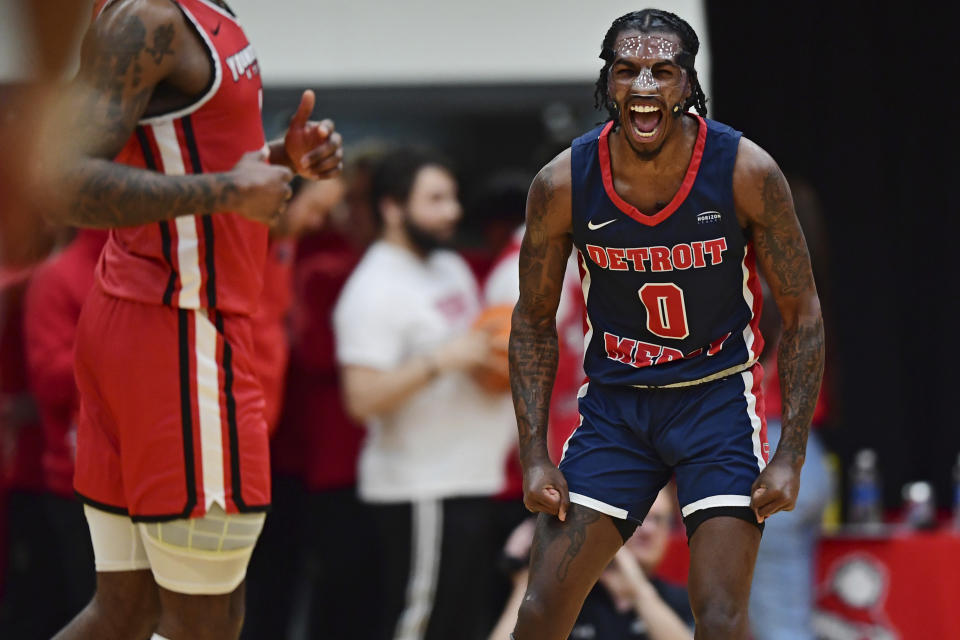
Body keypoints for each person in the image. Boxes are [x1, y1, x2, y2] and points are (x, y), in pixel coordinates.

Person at [508, 9, 824, 640]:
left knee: (721, 616)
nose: (644, 85)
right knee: (542, 611)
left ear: (687, 83)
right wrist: (535, 455)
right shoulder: (562, 183)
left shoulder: (745, 171)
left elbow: (803, 315)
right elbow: (534, 322)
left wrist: (790, 454)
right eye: (627, 71)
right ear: (608, 84)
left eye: (663, 70)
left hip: (716, 402)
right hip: (617, 408)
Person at [41, 1, 343, 638]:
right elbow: (59, 181)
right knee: (206, 623)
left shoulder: (201, 12)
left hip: (148, 317)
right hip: (178, 329)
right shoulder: (147, 19)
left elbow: (177, 156)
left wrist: (279, 160)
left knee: (124, 613)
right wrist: (228, 192)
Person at [333, 147, 517, 640]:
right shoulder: (373, 289)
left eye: (452, 197)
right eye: (435, 199)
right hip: (423, 489)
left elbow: (474, 357)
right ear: (393, 208)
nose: (453, 211)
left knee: (459, 628)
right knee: (420, 628)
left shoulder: (447, 266)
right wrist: (439, 361)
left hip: (470, 478)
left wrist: (495, 362)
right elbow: (361, 398)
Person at [490, 487, 694, 640]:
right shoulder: (565, 600)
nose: (649, 530)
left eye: (659, 519)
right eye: (641, 518)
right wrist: (529, 583)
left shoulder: (680, 599)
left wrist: (638, 592)